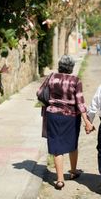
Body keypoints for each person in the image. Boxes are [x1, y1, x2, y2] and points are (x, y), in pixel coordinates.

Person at [37, 55, 93, 190]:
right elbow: (80, 102)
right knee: (72, 143)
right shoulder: (76, 80)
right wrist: (87, 121)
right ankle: (73, 171)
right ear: (72, 67)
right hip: (71, 117)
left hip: (53, 115)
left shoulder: (51, 77)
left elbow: (39, 92)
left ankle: (60, 180)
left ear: (59, 65)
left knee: (56, 146)